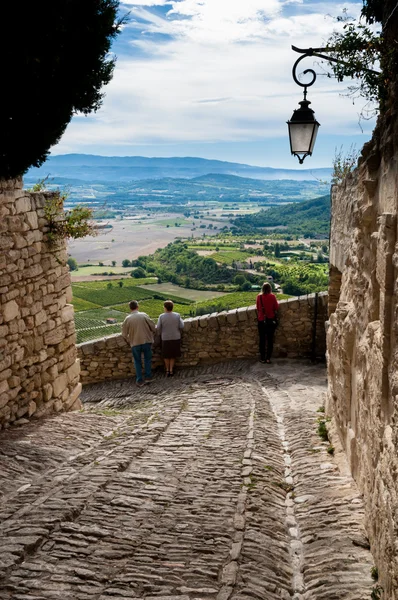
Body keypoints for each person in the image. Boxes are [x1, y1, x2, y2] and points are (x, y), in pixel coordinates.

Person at [122, 300, 156, 387]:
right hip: (146, 341)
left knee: (137, 361)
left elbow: (124, 334)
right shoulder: (144, 315)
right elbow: (153, 327)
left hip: (135, 343)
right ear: (138, 306)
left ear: (130, 308)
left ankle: (139, 380)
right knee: (147, 360)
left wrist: (129, 340)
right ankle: (148, 377)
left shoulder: (127, 319)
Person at [156, 300, 184, 376]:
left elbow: (158, 327)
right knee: (173, 355)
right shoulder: (177, 315)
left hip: (165, 338)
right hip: (175, 337)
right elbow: (182, 326)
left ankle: (167, 370)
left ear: (165, 308)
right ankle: (171, 370)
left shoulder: (161, 316)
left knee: (166, 355)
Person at [256, 282, 279, 364]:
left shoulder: (259, 297)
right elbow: (276, 307)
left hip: (261, 320)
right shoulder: (272, 297)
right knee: (270, 340)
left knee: (262, 340)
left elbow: (258, 308)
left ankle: (262, 358)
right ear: (270, 289)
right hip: (270, 320)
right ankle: (268, 358)